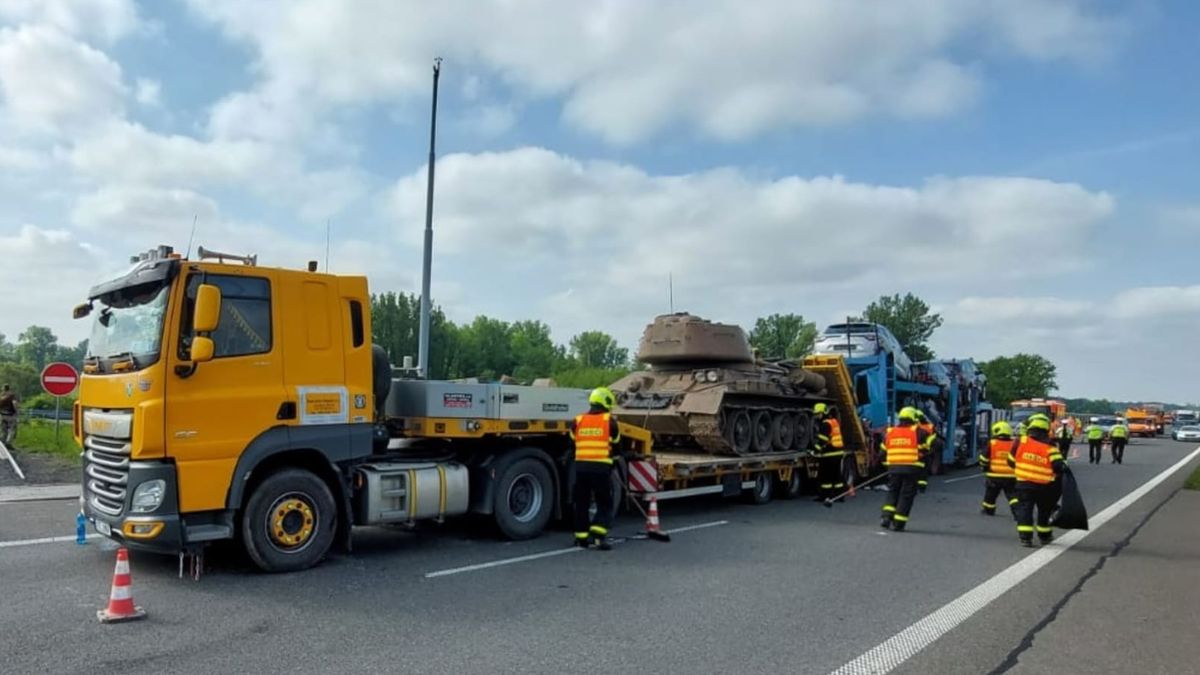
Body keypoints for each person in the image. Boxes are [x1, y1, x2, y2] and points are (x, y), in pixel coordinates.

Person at [567, 387, 622, 551]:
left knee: (581, 503)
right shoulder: (610, 422)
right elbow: (617, 448)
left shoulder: (578, 420)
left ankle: (581, 538)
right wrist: (613, 462)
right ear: (606, 402)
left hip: (581, 468)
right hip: (601, 469)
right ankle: (598, 537)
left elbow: (571, 444)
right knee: (604, 502)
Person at [1007, 413, 1065, 547]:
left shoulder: (1021, 441)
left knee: (1025, 510)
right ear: (1046, 429)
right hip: (1045, 486)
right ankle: (1045, 537)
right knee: (1044, 512)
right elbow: (1058, 467)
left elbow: (1010, 461)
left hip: (1024, 484)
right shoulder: (1051, 446)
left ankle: (1025, 538)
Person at [879, 406, 930, 532]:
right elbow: (926, 450)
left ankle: (886, 517)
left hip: (893, 468)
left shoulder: (890, 432)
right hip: (911, 469)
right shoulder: (919, 432)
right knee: (906, 495)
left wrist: (888, 464)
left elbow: (882, 453)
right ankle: (899, 523)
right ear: (913, 418)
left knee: (893, 491)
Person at [979, 421, 1018, 518]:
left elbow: (984, 458)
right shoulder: (1014, 444)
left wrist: (984, 467)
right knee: (1012, 496)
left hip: (994, 475)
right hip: (1011, 476)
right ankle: (1017, 512)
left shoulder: (992, 443)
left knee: (991, 494)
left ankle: (989, 510)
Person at [812, 402, 846, 502]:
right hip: (838, 452)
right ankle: (839, 496)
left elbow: (823, 440)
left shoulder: (825, 424)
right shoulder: (834, 421)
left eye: (818, 414)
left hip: (829, 454)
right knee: (836, 476)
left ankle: (824, 496)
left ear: (823, 413)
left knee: (825, 477)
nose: (817, 416)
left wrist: (815, 450)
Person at [913, 409, 936, 493]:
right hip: (924, 453)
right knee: (923, 471)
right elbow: (932, 439)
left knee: (915, 471)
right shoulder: (929, 427)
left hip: (915, 453)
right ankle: (922, 487)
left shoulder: (912, 427)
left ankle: (915, 486)